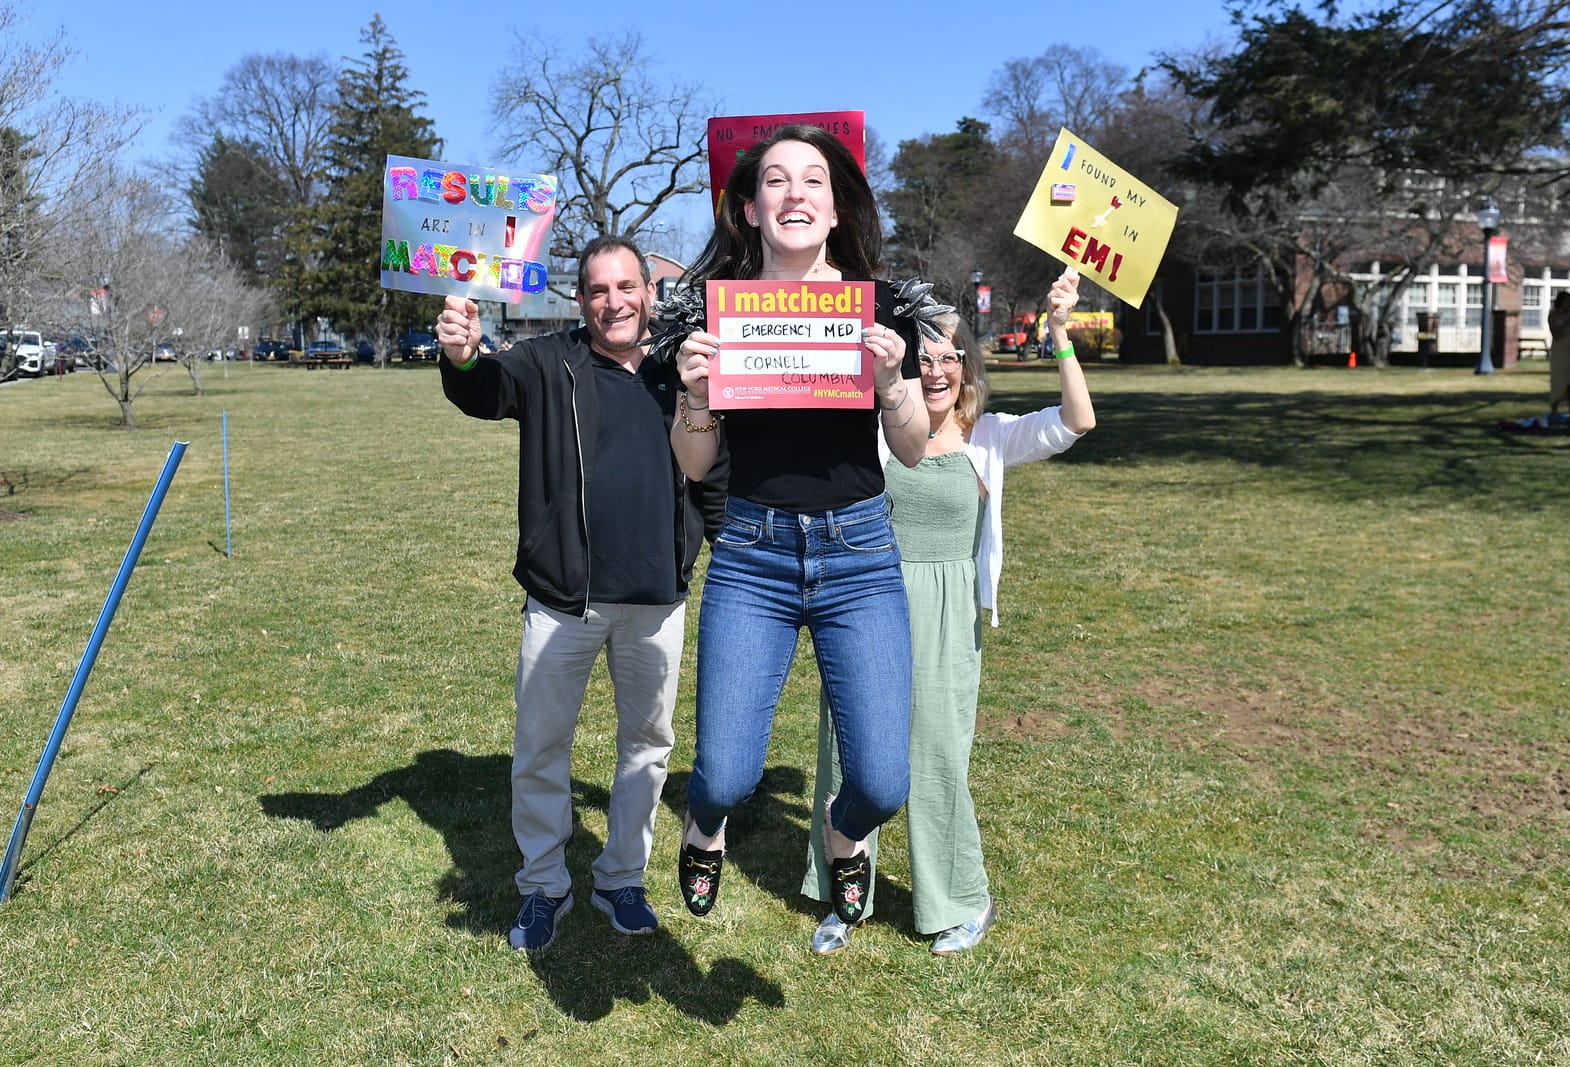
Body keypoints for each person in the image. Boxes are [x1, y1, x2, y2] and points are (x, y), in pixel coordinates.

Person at [663, 123, 929, 929]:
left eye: (812, 180)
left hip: (860, 556)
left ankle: (842, 835)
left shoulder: (878, 310)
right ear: (749, 208)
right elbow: (696, 466)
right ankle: (703, 826)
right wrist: (695, 396)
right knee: (724, 775)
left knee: (884, 782)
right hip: (753, 556)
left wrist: (890, 384)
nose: (794, 194)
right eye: (775, 181)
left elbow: (914, 449)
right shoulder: (716, 318)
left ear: (836, 206)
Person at [801, 268, 1097, 956]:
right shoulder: (873, 428)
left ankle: (962, 898)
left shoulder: (989, 435)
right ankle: (848, 897)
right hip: (867, 598)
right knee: (850, 749)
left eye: (949, 356)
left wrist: (1058, 332)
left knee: (936, 754)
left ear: (966, 367)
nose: (935, 368)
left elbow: (1078, 421)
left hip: (946, 614)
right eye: (923, 353)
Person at [435, 235, 715, 953]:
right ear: (579, 299)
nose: (613, 302)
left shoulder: (684, 367)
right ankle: (543, 885)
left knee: (647, 747)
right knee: (539, 749)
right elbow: (483, 390)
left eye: (626, 287)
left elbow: (713, 468)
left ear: (648, 293)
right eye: (597, 291)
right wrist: (462, 354)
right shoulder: (546, 362)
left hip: (657, 598)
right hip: (564, 600)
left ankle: (623, 875)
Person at [1548, 291, 1570, 425]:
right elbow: (1556, 333)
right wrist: (1567, 318)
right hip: (1560, 354)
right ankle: (1554, 413)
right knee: (1559, 382)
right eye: (1566, 300)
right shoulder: (1554, 315)